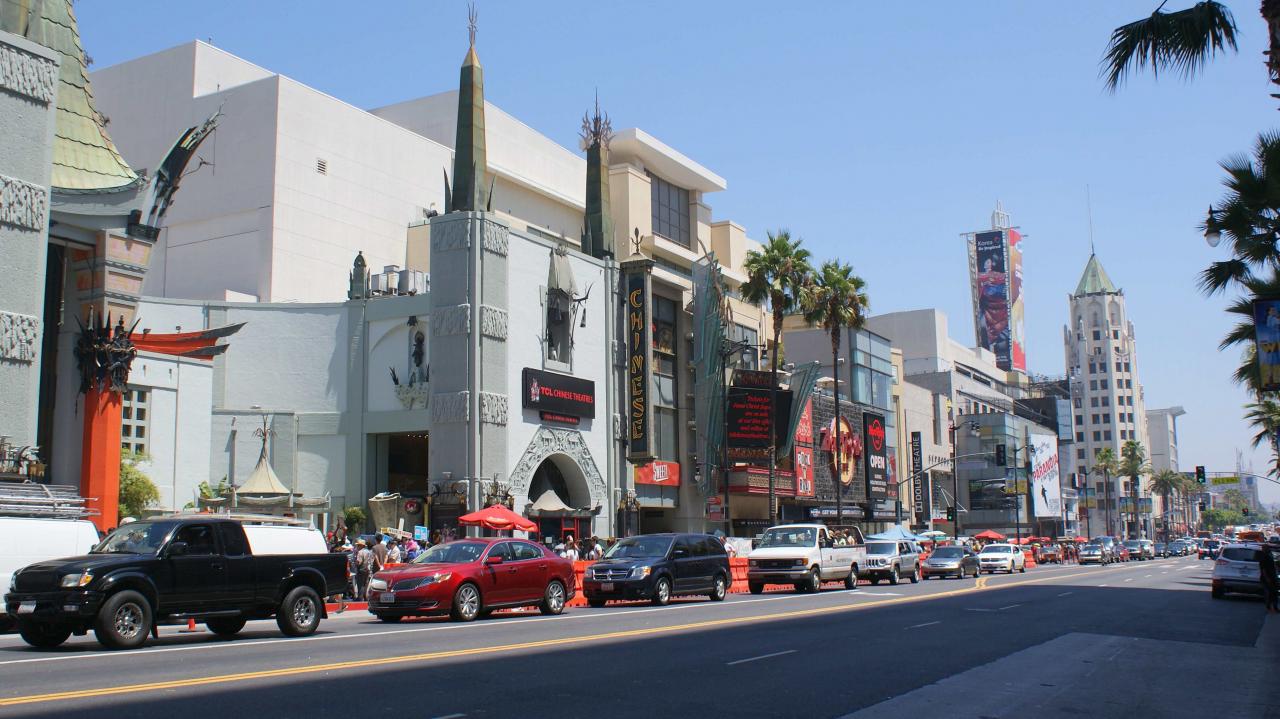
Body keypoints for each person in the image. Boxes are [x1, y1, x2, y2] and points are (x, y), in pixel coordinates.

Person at [1258, 546, 1279, 614]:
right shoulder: (1264, 558)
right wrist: (1267, 578)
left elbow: (1273, 566)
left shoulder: (1269, 556)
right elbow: (1263, 570)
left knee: (1273, 593)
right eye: (1267, 548)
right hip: (1268, 578)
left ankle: (1273, 607)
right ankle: (1270, 607)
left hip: (1272, 577)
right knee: (1270, 593)